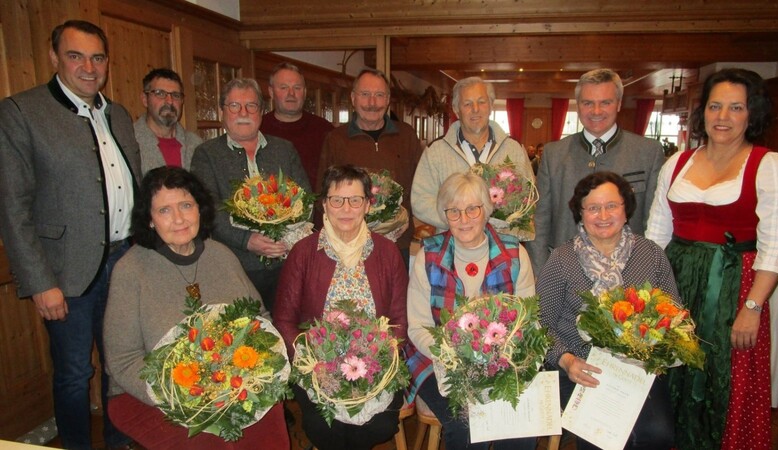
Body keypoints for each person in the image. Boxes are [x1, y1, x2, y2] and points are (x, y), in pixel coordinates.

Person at [0, 20, 140, 450]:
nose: (88, 67)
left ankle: (119, 443)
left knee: (121, 365)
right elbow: (12, 207)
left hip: (124, 262)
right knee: (75, 372)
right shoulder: (22, 112)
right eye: (76, 56)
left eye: (97, 57)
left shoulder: (117, 113)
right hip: (66, 274)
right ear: (54, 57)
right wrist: (41, 283)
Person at [646, 68, 778, 450]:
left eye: (736, 107)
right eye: (715, 106)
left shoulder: (770, 166)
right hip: (675, 285)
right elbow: (656, 236)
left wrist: (752, 306)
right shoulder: (677, 163)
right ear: (704, 112)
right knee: (669, 375)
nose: (723, 117)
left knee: (721, 383)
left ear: (752, 113)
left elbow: (775, 248)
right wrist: (646, 300)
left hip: (732, 290)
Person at [103, 167, 290, 449]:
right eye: (164, 210)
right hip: (156, 394)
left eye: (186, 206)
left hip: (231, 385)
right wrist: (186, 397)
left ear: (199, 210)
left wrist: (252, 376)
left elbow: (260, 319)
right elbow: (123, 361)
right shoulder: (131, 270)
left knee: (269, 428)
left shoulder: (221, 255)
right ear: (150, 220)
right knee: (211, 444)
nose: (178, 219)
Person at [537, 172, 677, 450]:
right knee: (600, 438)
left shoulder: (651, 255)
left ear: (626, 210)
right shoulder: (561, 260)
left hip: (637, 370)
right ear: (580, 213)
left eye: (612, 205)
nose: (603, 215)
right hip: (582, 369)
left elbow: (673, 314)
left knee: (659, 434)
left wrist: (653, 351)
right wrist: (566, 361)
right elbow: (541, 325)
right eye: (593, 208)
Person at [273, 164, 408, 450]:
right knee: (324, 426)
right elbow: (284, 319)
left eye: (355, 200)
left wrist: (381, 360)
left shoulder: (387, 252)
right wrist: (312, 359)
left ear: (368, 205)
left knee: (379, 425)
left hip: (376, 365)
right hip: (318, 367)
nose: (346, 209)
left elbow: (399, 319)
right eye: (337, 200)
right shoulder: (304, 252)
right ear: (324, 204)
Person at [406, 171, 537, 450]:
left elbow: (528, 324)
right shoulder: (428, 255)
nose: (463, 220)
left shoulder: (514, 255)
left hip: (502, 361)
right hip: (438, 360)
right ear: (445, 215)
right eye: (454, 211)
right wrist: (457, 360)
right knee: (465, 423)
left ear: (486, 210)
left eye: (472, 209)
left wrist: (498, 362)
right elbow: (417, 327)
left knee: (519, 429)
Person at [191, 77, 311, 312]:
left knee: (287, 326)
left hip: (286, 263)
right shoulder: (206, 154)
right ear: (222, 111)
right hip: (235, 266)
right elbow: (209, 210)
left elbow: (304, 199)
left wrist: (286, 240)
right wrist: (248, 241)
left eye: (251, 106)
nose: (243, 112)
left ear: (261, 111)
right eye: (234, 106)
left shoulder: (284, 149)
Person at [531, 68, 664, 276]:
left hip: (628, 276)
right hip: (565, 275)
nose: (596, 111)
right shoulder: (553, 154)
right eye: (587, 103)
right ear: (578, 105)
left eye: (605, 102)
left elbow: (654, 222)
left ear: (619, 103)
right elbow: (539, 222)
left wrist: (646, 272)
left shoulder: (648, 153)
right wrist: (542, 273)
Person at [318, 69, 423, 260]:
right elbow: (323, 194)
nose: (372, 103)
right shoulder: (336, 139)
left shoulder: (406, 136)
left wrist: (406, 218)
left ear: (388, 99)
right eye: (365, 95)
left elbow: (420, 187)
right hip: (349, 245)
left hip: (397, 243)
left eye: (379, 95)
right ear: (353, 98)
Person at [411, 76, 534, 232]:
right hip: (453, 249)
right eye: (467, 104)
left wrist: (499, 221)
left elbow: (529, 198)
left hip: (502, 248)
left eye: (481, 102)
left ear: (490, 106)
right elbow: (420, 202)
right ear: (456, 110)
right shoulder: (435, 152)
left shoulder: (514, 150)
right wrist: (462, 221)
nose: (475, 109)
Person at [260, 62, 334, 189]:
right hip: (269, 206)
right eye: (283, 87)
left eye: (297, 88)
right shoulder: (259, 129)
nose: (291, 93)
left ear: (304, 92)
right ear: (271, 92)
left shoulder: (324, 129)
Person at [134, 68, 203, 172]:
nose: (169, 101)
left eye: (176, 95)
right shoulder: (130, 143)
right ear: (145, 99)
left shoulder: (195, 145)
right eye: (160, 93)